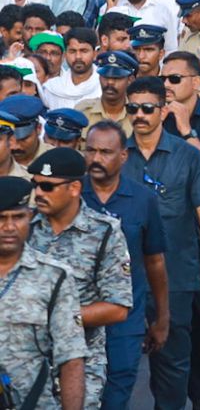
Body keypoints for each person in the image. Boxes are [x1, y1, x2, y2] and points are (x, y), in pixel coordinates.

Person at [123, 75, 200, 410]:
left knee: (171, 366)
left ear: (164, 110)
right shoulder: (117, 156)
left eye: (148, 108)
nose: (140, 114)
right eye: (133, 108)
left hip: (177, 278)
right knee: (118, 365)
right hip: (124, 281)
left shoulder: (188, 156)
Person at [26, 146, 134, 410]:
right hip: (25, 359)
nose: (39, 193)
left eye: (48, 187)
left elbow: (118, 307)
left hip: (80, 361)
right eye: (36, 185)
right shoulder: (22, 227)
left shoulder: (104, 232)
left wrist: (54, 317)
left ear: (74, 188)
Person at [81, 120, 170, 410]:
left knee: (119, 384)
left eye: (106, 152)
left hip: (126, 312)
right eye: (91, 150)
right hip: (78, 312)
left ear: (123, 156)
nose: (96, 158)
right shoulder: (70, 195)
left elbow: (155, 261)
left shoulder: (143, 199)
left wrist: (161, 318)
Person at [0, 173, 88, 410]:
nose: (9, 227)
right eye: (1, 218)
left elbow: (71, 358)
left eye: (18, 217)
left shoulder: (54, 276)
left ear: (30, 217)